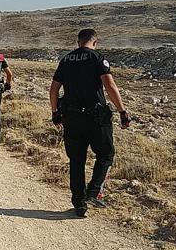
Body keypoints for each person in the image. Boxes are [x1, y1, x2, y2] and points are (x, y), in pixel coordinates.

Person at [49, 29, 130, 218]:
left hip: (72, 117)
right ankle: (94, 192)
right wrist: (122, 111)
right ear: (95, 42)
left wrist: (55, 113)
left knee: (76, 161)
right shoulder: (97, 58)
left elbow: (53, 89)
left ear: (78, 42)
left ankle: (79, 204)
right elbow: (109, 85)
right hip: (95, 118)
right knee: (106, 153)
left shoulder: (66, 59)